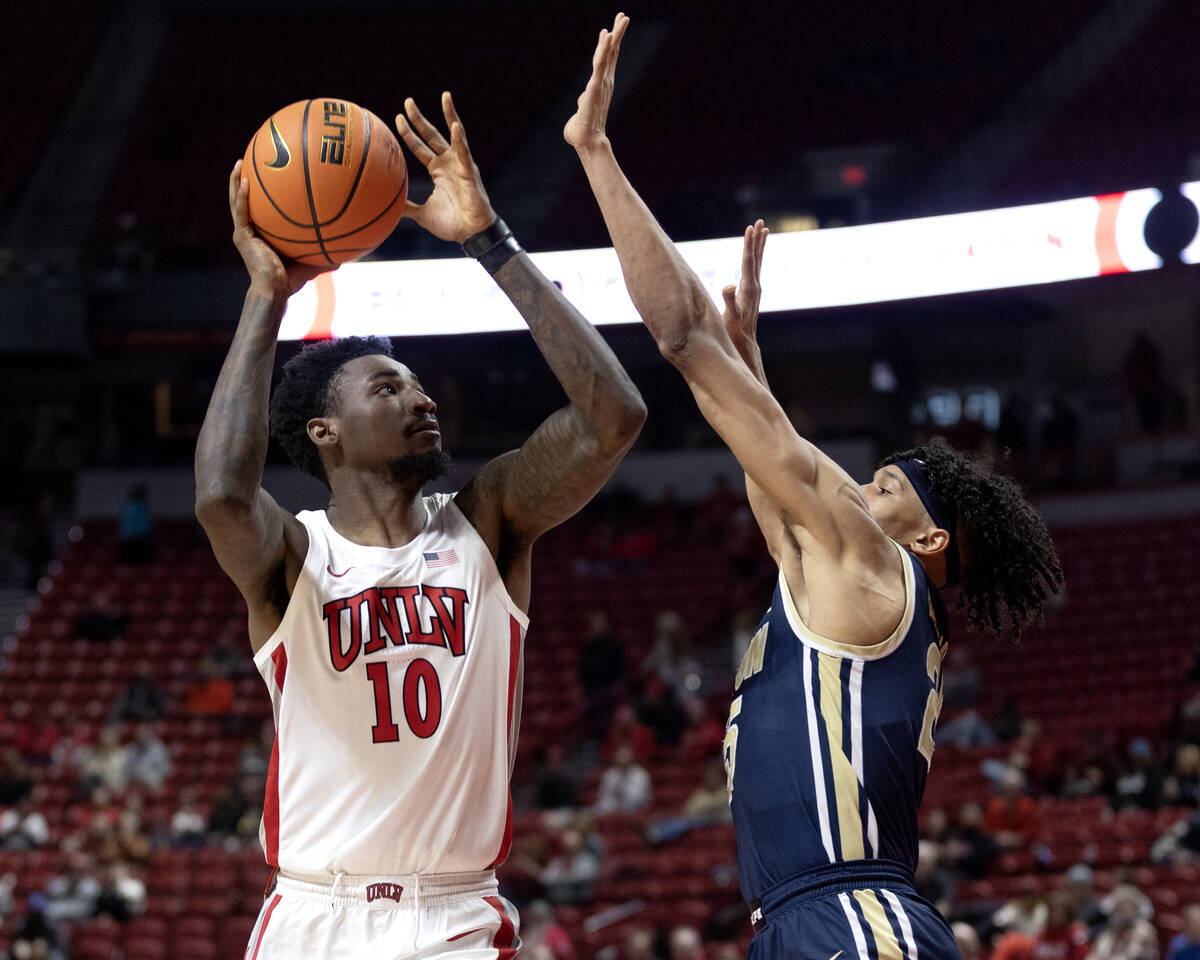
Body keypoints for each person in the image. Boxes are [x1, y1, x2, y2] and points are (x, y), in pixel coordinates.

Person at [567, 15, 1063, 959]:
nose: (864, 487)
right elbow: (769, 477)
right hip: (810, 918)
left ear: (927, 542)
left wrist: (596, 156)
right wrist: (750, 371)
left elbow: (680, 341)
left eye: (888, 486)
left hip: (850, 917)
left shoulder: (873, 562)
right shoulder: (835, 571)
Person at [194, 87, 645, 959]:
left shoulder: (488, 524)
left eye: (418, 382)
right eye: (388, 386)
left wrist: (489, 239)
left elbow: (612, 419)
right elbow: (220, 494)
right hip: (313, 917)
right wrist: (267, 296)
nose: (421, 395)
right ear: (324, 432)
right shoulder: (294, 555)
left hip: (454, 919)